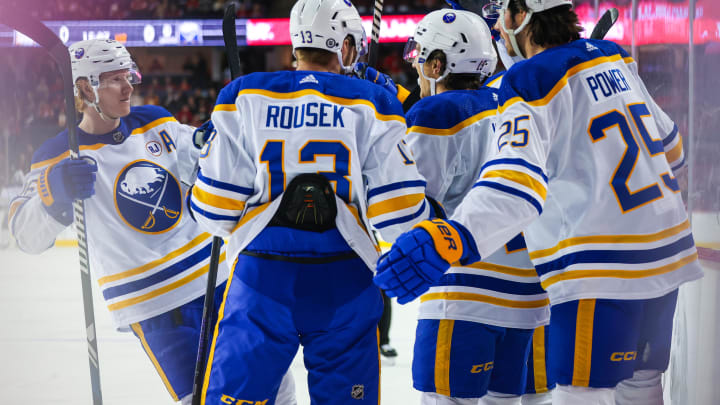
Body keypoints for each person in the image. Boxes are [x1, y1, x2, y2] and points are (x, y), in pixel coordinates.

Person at [374, 0, 703, 404]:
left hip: (598, 270)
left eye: (503, 15)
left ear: (522, 16)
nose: (499, 28)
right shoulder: (614, 58)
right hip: (665, 259)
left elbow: (516, 185)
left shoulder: (528, 80)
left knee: (582, 395)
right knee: (643, 388)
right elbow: (673, 150)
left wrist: (452, 236)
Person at [7, 38, 295, 405]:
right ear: (83, 87)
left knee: (273, 381)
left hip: (216, 279)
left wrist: (222, 140)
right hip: (154, 305)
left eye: (128, 75)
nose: (129, 86)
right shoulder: (58, 155)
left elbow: (209, 156)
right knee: (203, 399)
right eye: (114, 79)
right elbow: (25, 236)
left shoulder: (157, 121)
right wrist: (54, 191)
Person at [188, 0, 432, 403]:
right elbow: (402, 219)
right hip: (345, 283)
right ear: (348, 47)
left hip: (260, 281)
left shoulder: (243, 96)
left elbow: (213, 212)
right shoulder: (374, 101)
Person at [400, 9, 549, 405]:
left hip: (465, 291)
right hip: (530, 294)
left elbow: (410, 208)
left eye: (420, 55)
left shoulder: (435, 113)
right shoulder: (514, 101)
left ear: (437, 63)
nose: (414, 63)